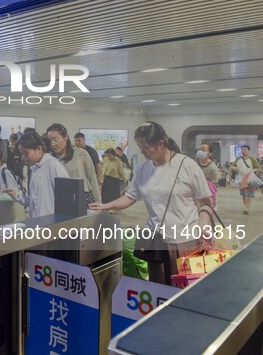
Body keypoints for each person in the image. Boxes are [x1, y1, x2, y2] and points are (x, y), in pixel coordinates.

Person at [90, 121, 212, 286]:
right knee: (157, 286)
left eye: (146, 147)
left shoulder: (186, 166)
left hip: (184, 238)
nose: (142, 151)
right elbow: (130, 197)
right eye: (139, 147)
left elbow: (206, 202)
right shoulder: (143, 168)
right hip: (154, 238)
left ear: (161, 144)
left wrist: (204, 227)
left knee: (184, 288)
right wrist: (106, 206)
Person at [5, 131, 69, 219]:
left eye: (26, 153)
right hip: (38, 223)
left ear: (39, 149)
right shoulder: (35, 168)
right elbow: (34, 200)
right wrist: (16, 196)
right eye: (22, 154)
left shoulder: (53, 166)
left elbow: (66, 200)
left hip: (52, 224)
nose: (24, 157)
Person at [46, 123, 101, 205]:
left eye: (55, 139)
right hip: (61, 200)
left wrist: (98, 202)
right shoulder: (51, 159)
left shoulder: (81, 154)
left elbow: (92, 179)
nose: (52, 144)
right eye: (50, 141)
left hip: (82, 198)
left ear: (66, 137)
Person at [231, 145, 260, 214]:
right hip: (241, 179)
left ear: (248, 150)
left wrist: (252, 171)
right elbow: (232, 166)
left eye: (245, 149)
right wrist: (234, 168)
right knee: (243, 195)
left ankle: (246, 208)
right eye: (242, 149)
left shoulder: (252, 159)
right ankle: (246, 207)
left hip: (250, 179)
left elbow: (258, 168)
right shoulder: (238, 159)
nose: (243, 151)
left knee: (249, 194)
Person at [196, 142, 221, 209]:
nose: (200, 151)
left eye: (203, 150)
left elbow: (214, 186)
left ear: (210, 153)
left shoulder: (213, 168)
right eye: (199, 149)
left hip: (207, 197)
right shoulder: (194, 163)